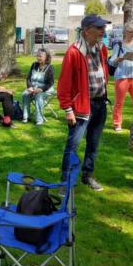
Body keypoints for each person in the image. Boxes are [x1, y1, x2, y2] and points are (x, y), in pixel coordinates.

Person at [57, 14, 110, 192]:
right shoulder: (74, 52)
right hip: (81, 108)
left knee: (93, 145)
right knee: (72, 146)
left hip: (100, 104)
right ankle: (65, 182)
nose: (103, 30)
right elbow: (64, 84)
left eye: (104, 27)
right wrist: (67, 109)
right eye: (99, 27)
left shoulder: (102, 49)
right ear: (87, 30)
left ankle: (87, 176)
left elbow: (104, 74)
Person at [108, 24, 133, 132]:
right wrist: (119, 59)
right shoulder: (119, 45)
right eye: (131, 31)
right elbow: (111, 61)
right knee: (119, 102)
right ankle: (117, 123)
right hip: (122, 76)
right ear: (125, 32)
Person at [21, 48, 54, 125]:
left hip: (46, 89)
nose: (38, 58)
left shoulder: (50, 68)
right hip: (33, 88)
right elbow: (28, 78)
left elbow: (50, 83)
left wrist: (40, 89)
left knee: (38, 96)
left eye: (41, 56)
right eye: (38, 56)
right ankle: (26, 117)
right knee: (25, 94)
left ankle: (39, 119)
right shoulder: (34, 65)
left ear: (46, 57)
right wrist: (30, 87)